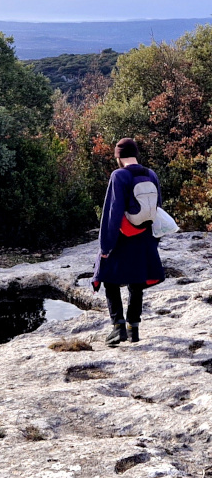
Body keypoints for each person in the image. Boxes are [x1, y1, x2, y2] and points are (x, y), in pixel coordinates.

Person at [92, 138, 165, 346]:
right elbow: (157, 207)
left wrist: (105, 246)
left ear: (118, 156)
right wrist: (154, 242)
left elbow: (112, 212)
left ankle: (118, 328)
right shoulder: (151, 174)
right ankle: (134, 329)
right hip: (145, 238)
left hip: (123, 238)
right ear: (136, 154)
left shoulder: (119, 175)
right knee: (136, 282)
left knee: (109, 279)